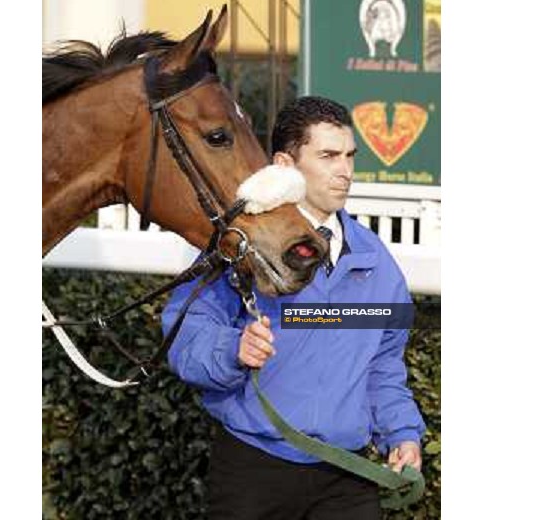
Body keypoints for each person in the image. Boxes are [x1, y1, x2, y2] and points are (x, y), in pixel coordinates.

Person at [161, 96, 425, 520]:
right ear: (285, 164)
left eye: (349, 156)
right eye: (328, 156)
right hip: (253, 470)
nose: (345, 171)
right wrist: (233, 349)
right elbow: (185, 332)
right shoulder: (239, 245)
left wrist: (402, 433)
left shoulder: (377, 263)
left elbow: (383, 366)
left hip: (347, 475)